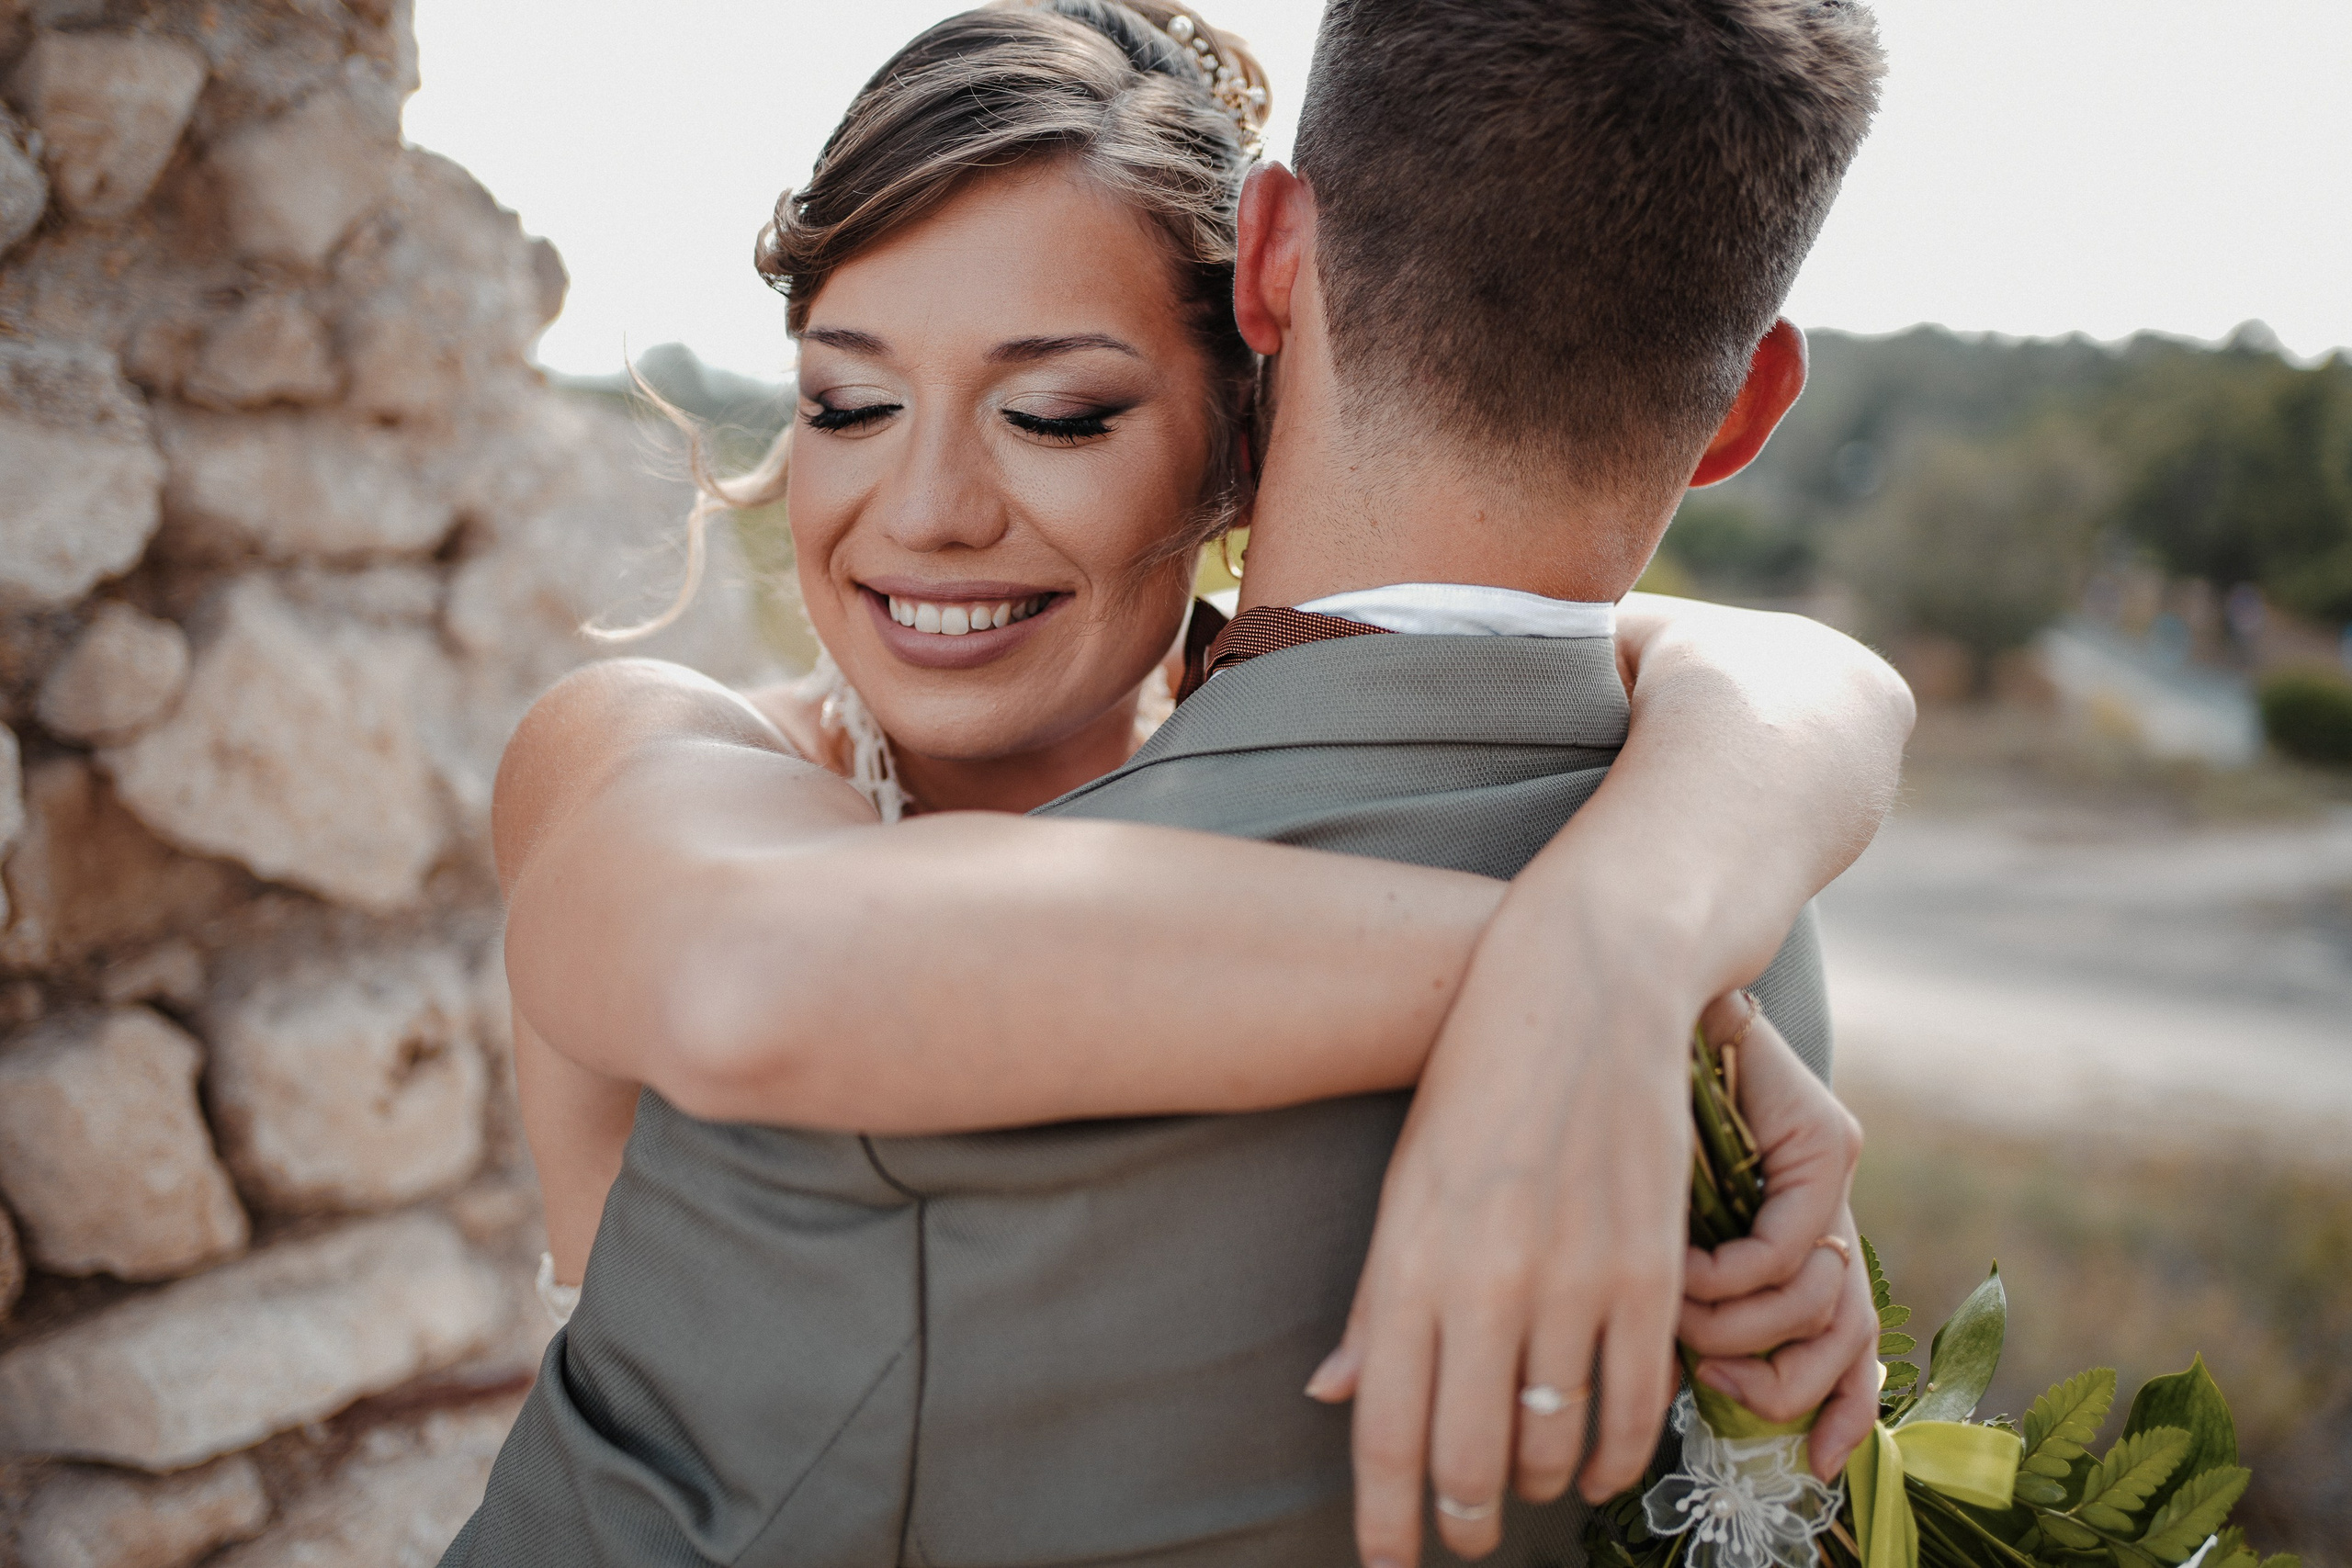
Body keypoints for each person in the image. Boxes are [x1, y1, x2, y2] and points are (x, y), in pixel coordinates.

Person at [447, 3, 1897, 1565]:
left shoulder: (1456, 750)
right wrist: (1625, 1001)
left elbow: (1799, 675)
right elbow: (755, 969)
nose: (923, 511)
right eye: (846, 404)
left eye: (1054, 413)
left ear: (1242, 414)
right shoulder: (641, 752)